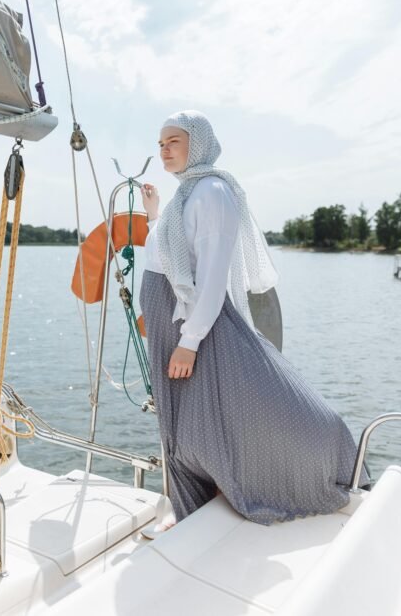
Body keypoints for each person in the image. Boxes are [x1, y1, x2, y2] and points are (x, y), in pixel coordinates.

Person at [138, 110, 365, 536]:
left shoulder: (212, 193)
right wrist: (152, 214)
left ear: (198, 145)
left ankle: (323, 458)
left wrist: (190, 340)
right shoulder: (185, 195)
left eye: (173, 141)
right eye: (160, 143)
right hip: (173, 320)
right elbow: (170, 253)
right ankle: (191, 502)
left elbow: (211, 275)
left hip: (189, 323)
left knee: (231, 402)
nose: (164, 150)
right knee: (180, 414)